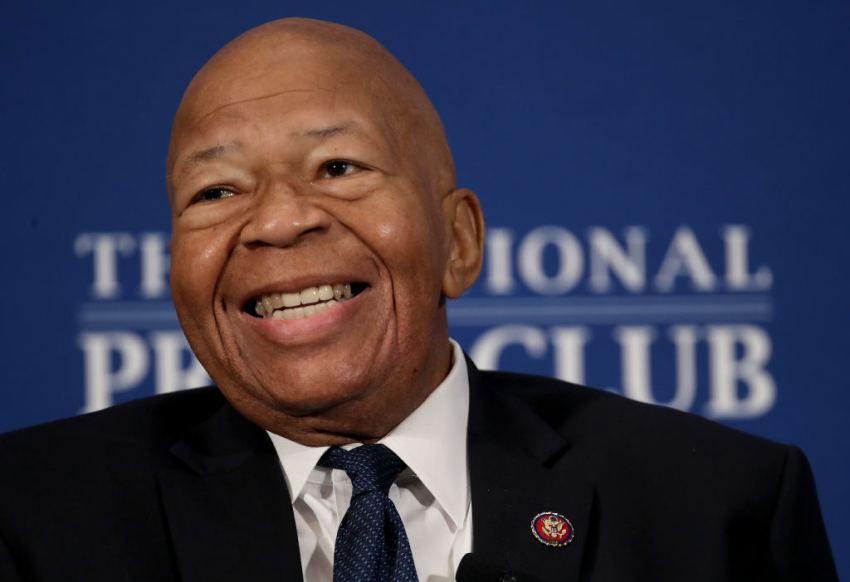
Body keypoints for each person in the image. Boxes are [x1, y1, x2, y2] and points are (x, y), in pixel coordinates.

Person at [0, 18, 838, 582]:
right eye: (216, 190)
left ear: (460, 241)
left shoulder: (718, 512)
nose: (280, 221)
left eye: (338, 167)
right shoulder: (30, 518)